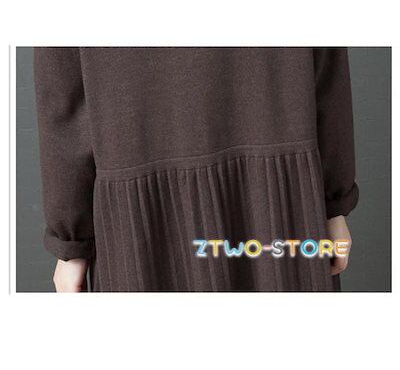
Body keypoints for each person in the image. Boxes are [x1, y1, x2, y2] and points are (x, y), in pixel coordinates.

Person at [34, 47, 358, 292]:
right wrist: (333, 202)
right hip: (279, 213)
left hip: (146, 229)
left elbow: (65, 101)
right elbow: (327, 67)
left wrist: (72, 245)